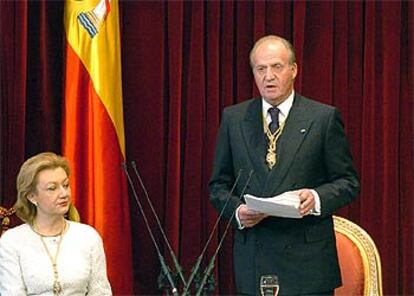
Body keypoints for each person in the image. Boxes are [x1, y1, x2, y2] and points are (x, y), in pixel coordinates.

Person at [209, 35, 360, 295]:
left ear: (293, 70)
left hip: (308, 265)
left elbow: (348, 182)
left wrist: (315, 197)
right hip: (254, 260)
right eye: (261, 69)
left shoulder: (323, 118)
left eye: (277, 67)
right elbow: (218, 186)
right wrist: (238, 212)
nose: (269, 76)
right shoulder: (234, 118)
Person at [0, 152, 112, 296]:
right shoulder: (12, 242)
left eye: (66, 185)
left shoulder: (88, 237)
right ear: (32, 196)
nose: (64, 193)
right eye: (52, 188)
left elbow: (101, 292)